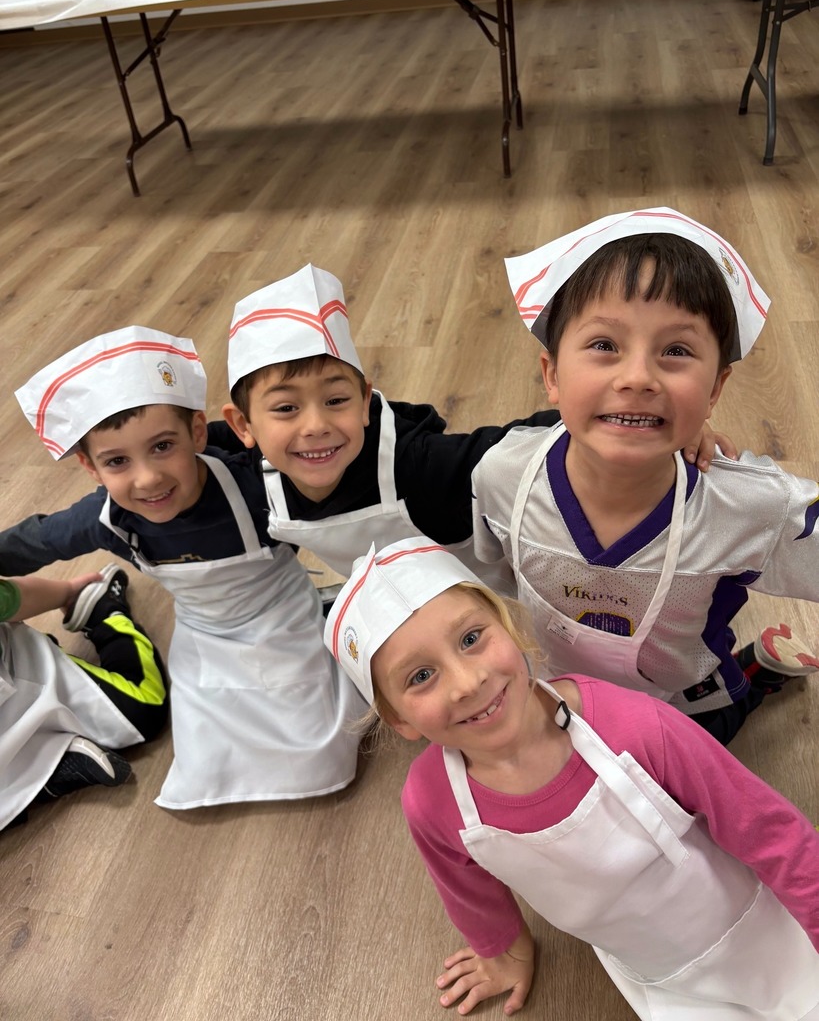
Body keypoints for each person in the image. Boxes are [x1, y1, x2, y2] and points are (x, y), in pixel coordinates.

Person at [324, 536, 819, 1020]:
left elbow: (769, 830)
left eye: (472, 639)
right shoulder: (431, 799)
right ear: (400, 721)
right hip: (657, 973)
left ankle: (754, 674)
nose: (467, 682)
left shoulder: (636, 727)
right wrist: (504, 950)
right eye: (420, 677)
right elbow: (463, 884)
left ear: (509, 627)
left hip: (766, 927)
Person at [471, 207, 819, 745]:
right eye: (605, 345)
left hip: (687, 706)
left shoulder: (751, 507)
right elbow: (494, 573)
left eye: (676, 351)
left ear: (715, 390)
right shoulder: (502, 476)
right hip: (565, 694)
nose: (638, 377)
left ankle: (758, 670)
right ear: (552, 375)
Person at [1, 326, 365, 810]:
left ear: (196, 432)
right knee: (206, 758)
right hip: (205, 635)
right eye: (117, 461)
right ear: (91, 468)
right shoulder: (104, 518)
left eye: (162, 447)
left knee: (323, 752)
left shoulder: (255, 487)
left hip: (284, 614)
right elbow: (33, 541)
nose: (148, 478)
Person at [217, 264, 732, 587]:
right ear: (244, 426)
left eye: (336, 400)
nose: (315, 427)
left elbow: (522, 438)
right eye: (285, 409)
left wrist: (652, 425)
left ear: (367, 400)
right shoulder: (249, 479)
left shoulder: (422, 467)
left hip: (494, 594)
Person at [2, 564, 168, 830]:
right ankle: (48, 772)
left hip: (25, 677)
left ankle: (102, 612)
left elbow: (13, 598)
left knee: (140, 709)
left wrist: (67, 593)